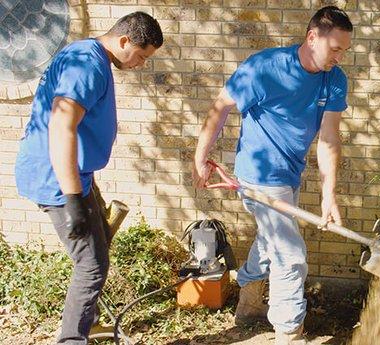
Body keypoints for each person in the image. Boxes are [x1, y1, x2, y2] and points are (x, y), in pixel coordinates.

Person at [192, 6, 353, 344]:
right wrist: (201, 157)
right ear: (312, 38)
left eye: (344, 50)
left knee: (272, 239)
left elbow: (328, 138)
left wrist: (329, 195)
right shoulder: (265, 68)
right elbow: (221, 106)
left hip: (288, 176)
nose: (340, 56)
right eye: (335, 48)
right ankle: (288, 330)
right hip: (258, 175)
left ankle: (248, 296)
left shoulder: (334, 79)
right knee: (290, 253)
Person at [14, 12, 162, 344]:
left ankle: (89, 322)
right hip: (57, 181)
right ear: (124, 41)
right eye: (141, 56)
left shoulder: (87, 54)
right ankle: (72, 340)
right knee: (91, 267)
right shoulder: (88, 63)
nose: (139, 64)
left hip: (73, 174)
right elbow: (61, 126)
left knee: (99, 247)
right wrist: (72, 199)